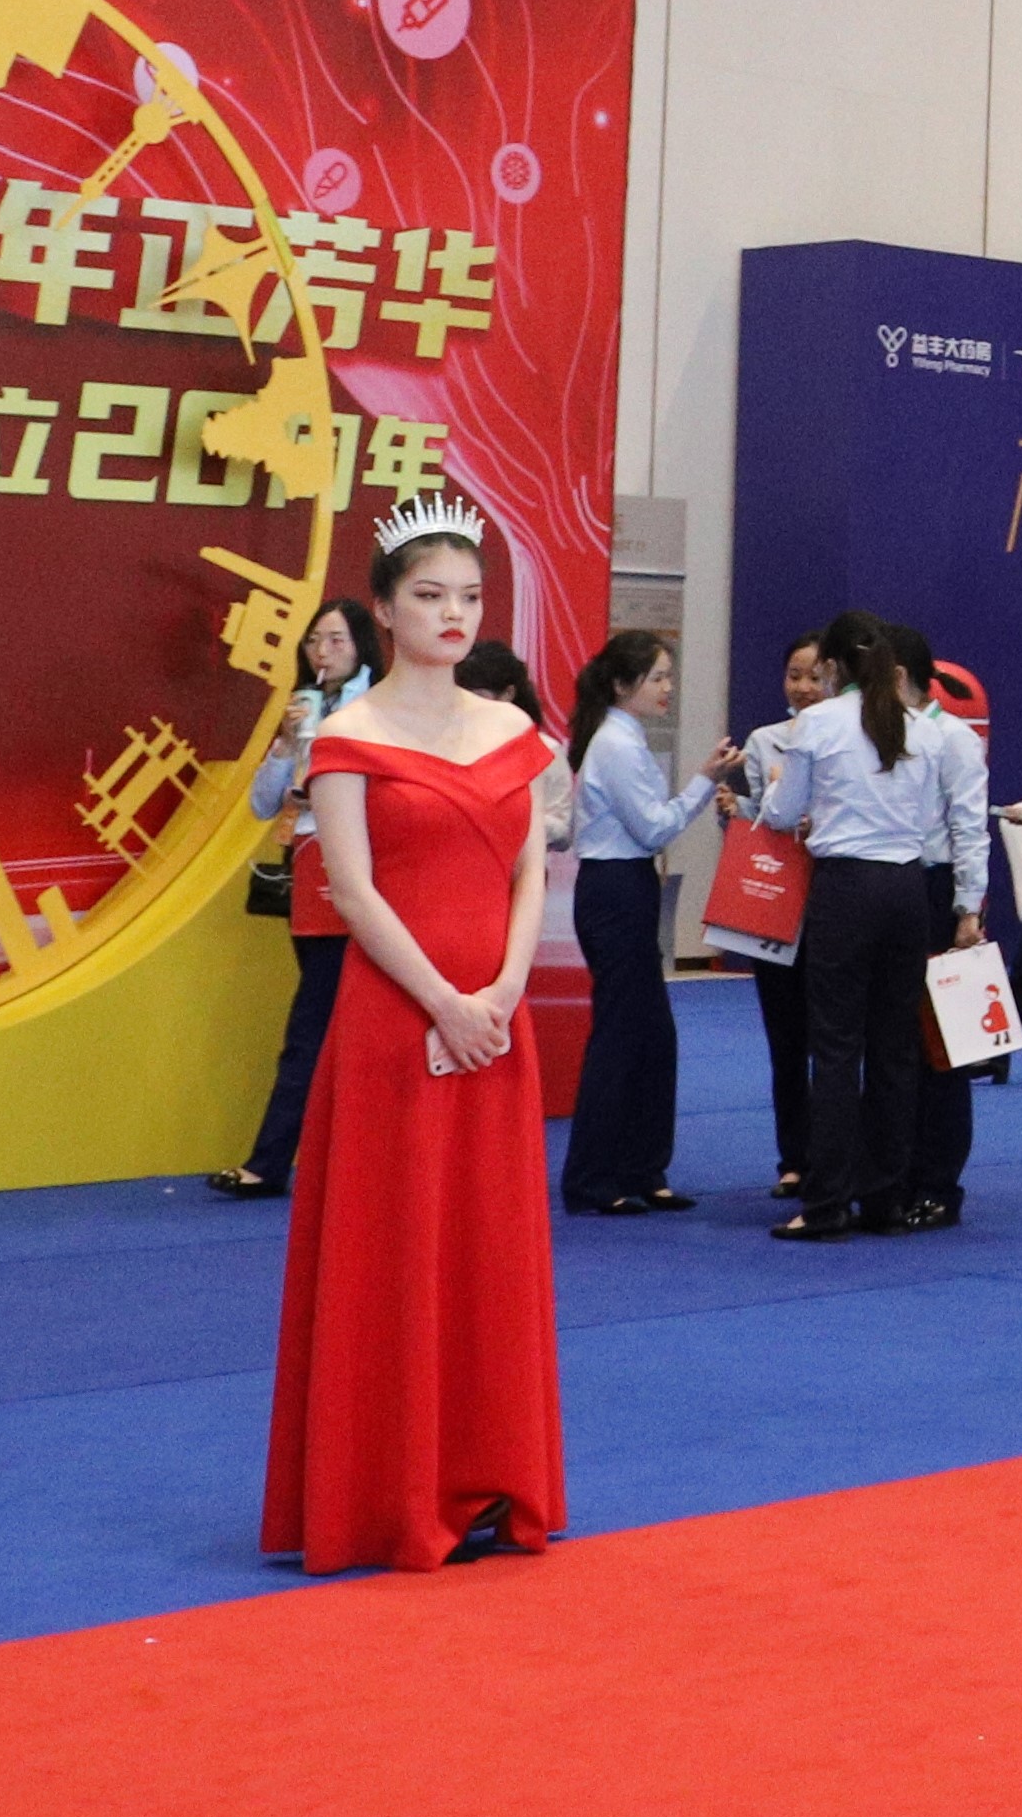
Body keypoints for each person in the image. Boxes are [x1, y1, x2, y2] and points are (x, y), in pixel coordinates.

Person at [263, 500, 571, 1574]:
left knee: (489, 1240)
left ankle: (491, 1471)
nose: (454, 614)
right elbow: (349, 889)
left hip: (496, 1015)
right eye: (430, 595)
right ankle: (386, 1485)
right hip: (397, 1018)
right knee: (393, 1241)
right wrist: (444, 1000)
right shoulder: (349, 734)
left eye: (471, 597)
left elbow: (530, 870)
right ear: (385, 609)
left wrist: (505, 989)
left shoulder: (513, 732)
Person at [754, 614, 979, 1239]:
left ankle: (827, 1203)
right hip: (906, 888)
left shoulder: (819, 723)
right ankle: (884, 1199)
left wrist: (781, 794)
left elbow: (783, 812)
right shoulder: (921, 729)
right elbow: (939, 821)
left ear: (831, 666)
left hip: (846, 888)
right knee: (894, 1049)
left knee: (834, 1048)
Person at [210, 594, 383, 1198]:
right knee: (325, 1019)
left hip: (359, 872)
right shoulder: (303, 707)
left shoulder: (374, 708)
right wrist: (286, 744)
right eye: (314, 640)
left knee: (319, 1024)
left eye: (336, 640)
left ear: (362, 647)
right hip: (309, 871)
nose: (322, 651)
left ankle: (273, 1160)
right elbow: (263, 804)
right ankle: (323, 1159)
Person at [555, 629, 703, 1215]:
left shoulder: (623, 737)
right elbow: (654, 827)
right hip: (616, 888)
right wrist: (706, 782)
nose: (668, 687)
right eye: (657, 677)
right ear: (622, 684)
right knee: (621, 1035)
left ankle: (643, 1168)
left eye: (668, 676)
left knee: (652, 1036)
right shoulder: (616, 743)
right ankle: (594, 1177)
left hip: (625, 885)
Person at [708, 630, 833, 1194]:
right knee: (785, 1040)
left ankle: (837, 1155)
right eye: (794, 675)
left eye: (814, 676)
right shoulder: (765, 741)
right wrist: (736, 809)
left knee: (834, 1043)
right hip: (778, 904)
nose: (803, 687)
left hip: (833, 898)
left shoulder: (848, 736)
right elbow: (760, 818)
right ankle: (795, 1158)